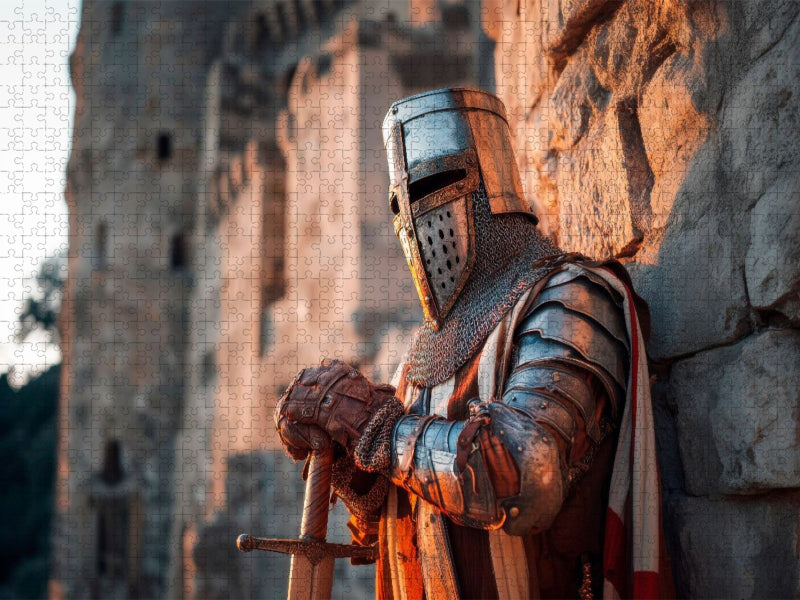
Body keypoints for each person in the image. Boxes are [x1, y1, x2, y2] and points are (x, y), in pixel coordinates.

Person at [275, 88, 670, 599]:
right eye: (400, 202)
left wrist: (375, 428)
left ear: (489, 185)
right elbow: (409, 518)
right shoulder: (421, 357)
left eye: (435, 186)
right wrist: (351, 460)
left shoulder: (567, 299)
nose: (415, 220)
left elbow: (527, 476)